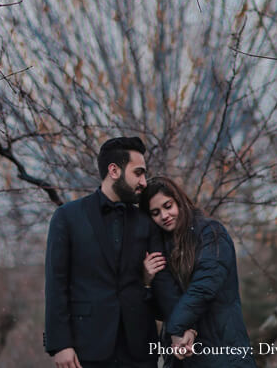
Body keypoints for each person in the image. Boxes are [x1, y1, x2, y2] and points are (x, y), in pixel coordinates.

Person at [44, 137, 194, 368]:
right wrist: (60, 344)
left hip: (139, 349)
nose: (143, 182)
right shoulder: (67, 217)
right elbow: (56, 284)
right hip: (86, 348)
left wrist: (178, 329)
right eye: (138, 173)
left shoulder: (146, 221)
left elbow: (162, 279)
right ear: (114, 171)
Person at [141, 177, 257, 367]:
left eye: (168, 206)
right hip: (183, 355)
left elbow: (204, 288)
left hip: (221, 349)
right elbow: (163, 309)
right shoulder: (162, 247)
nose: (164, 215)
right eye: (155, 213)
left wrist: (178, 329)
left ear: (179, 200)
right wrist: (146, 282)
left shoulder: (211, 233)